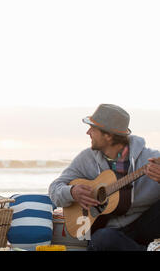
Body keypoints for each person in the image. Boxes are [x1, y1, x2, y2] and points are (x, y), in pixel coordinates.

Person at [49, 104, 160, 250]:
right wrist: (72, 192)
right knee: (103, 239)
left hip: (144, 226)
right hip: (107, 231)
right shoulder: (86, 159)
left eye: (93, 129)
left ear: (108, 136)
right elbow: (54, 189)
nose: (88, 132)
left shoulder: (151, 159)